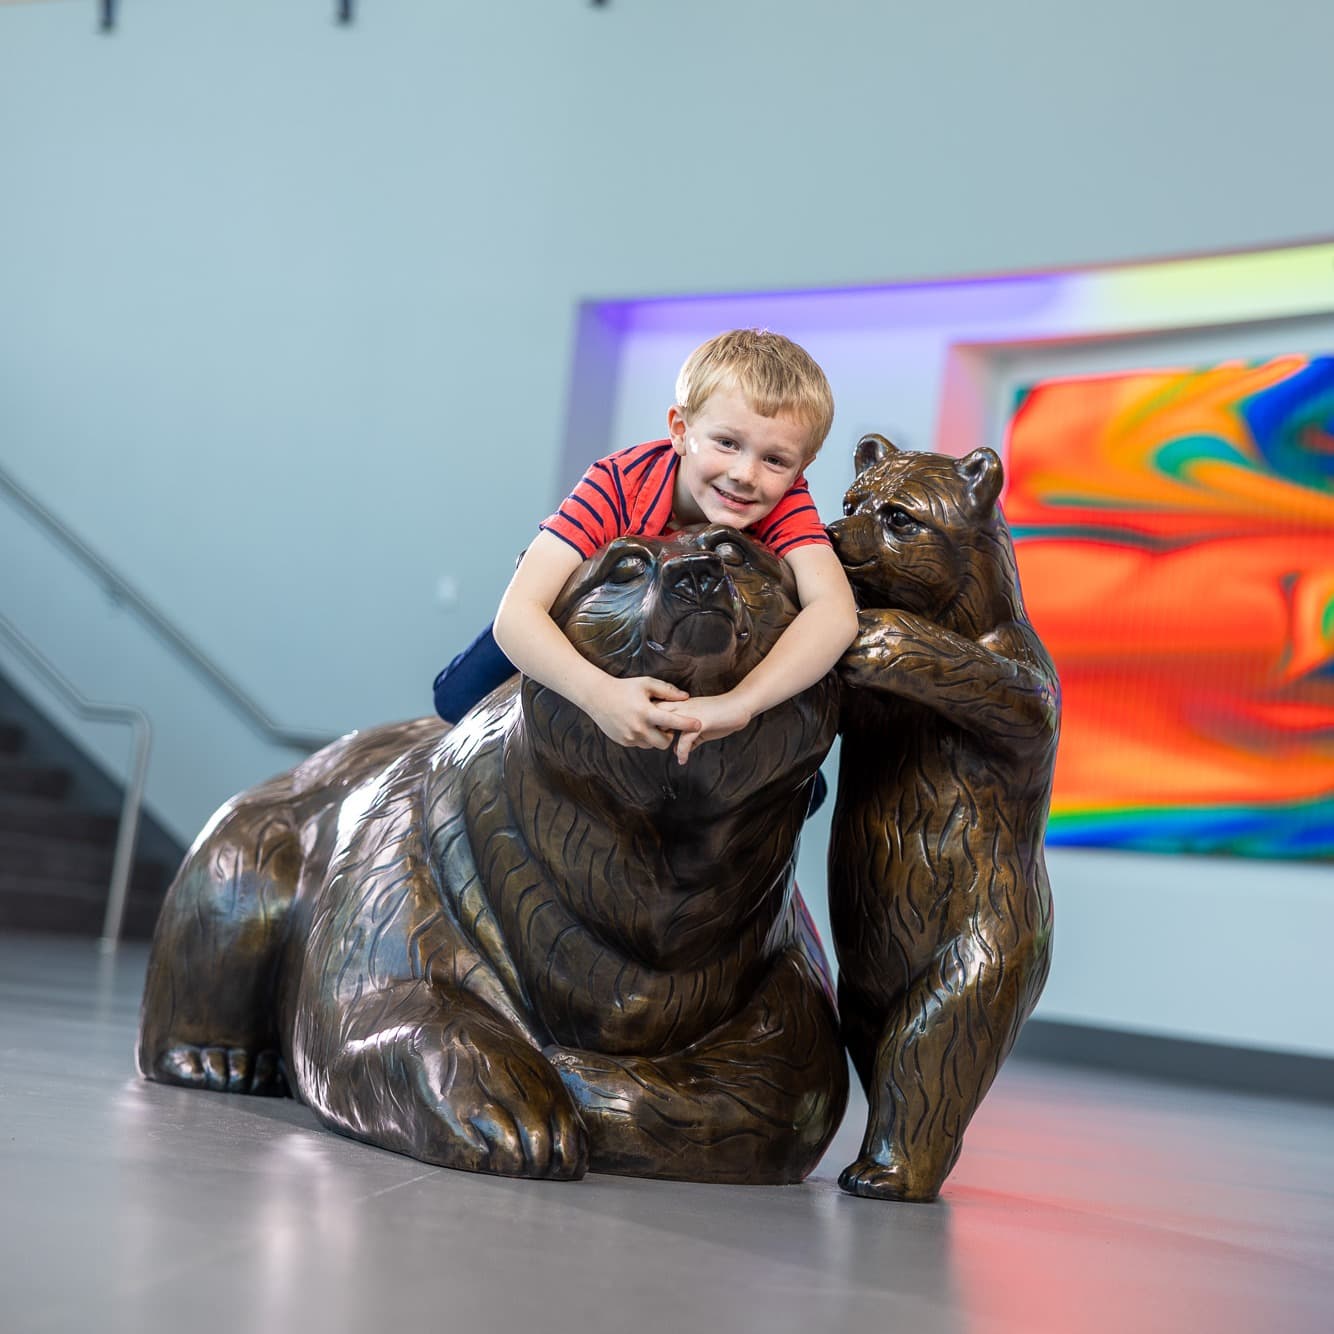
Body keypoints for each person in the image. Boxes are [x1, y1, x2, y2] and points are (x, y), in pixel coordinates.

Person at [433, 328, 858, 768]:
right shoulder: (618, 482)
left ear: (801, 466)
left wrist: (743, 703)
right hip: (599, 631)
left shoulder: (785, 501)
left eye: (775, 460)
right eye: (727, 443)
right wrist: (599, 695)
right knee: (457, 698)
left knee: (803, 786)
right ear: (680, 430)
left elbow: (835, 612)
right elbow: (519, 612)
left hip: (697, 644)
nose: (746, 474)